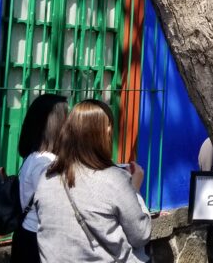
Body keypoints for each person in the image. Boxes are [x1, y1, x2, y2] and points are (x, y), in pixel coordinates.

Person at [35, 100, 151, 262]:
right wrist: (135, 190)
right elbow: (141, 234)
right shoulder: (114, 180)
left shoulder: (46, 178)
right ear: (107, 132)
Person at [11, 94, 68, 263]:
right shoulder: (48, 163)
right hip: (39, 241)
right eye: (67, 118)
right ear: (57, 125)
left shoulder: (34, 157)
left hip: (26, 235)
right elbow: (55, 212)